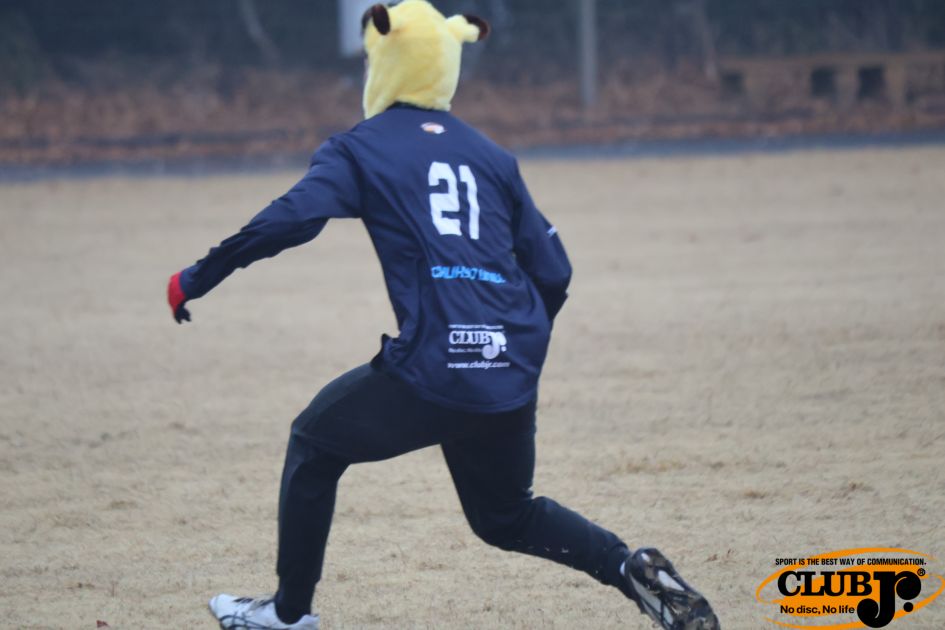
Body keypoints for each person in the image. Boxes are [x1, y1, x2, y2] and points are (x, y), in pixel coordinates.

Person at [166, 2, 720, 629]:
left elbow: (291, 220)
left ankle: (288, 615)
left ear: (383, 61)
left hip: (435, 366)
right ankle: (625, 565)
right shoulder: (493, 157)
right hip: (507, 365)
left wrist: (198, 276)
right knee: (505, 516)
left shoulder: (358, 148)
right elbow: (555, 271)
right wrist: (508, 343)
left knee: (314, 444)